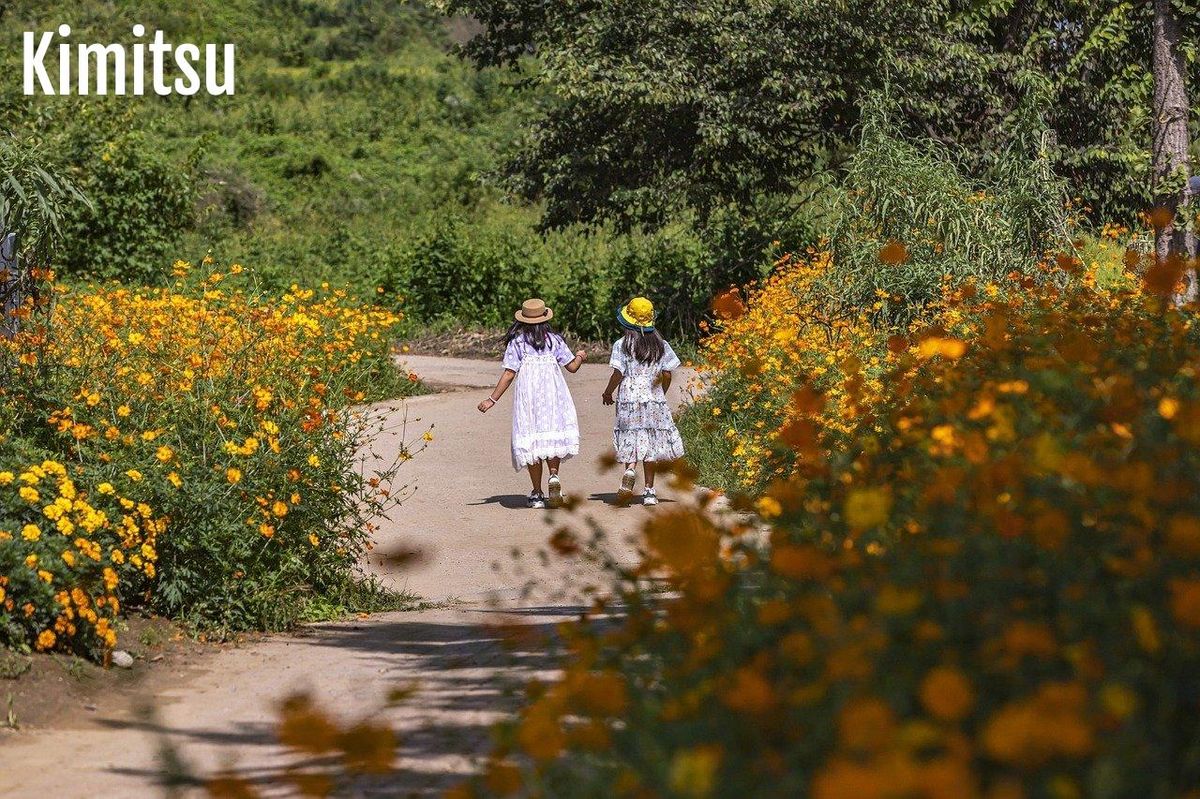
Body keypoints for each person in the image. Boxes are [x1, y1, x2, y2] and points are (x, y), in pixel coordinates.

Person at [478, 299, 586, 508]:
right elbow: (572, 367)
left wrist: (492, 399)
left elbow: (509, 373)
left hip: (528, 398)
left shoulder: (517, 343)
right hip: (553, 397)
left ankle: (537, 493)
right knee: (551, 434)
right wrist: (580, 356)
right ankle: (553, 476)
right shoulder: (554, 340)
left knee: (532, 439)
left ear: (523, 321)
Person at [601, 297, 684, 506]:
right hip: (653, 396)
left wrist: (607, 392)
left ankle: (630, 470)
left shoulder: (622, 345)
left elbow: (618, 374)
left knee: (631, 435)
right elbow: (667, 373)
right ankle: (649, 491)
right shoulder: (661, 345)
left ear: (627, 322)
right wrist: (660, 392)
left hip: (629, 397)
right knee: (650, 442)